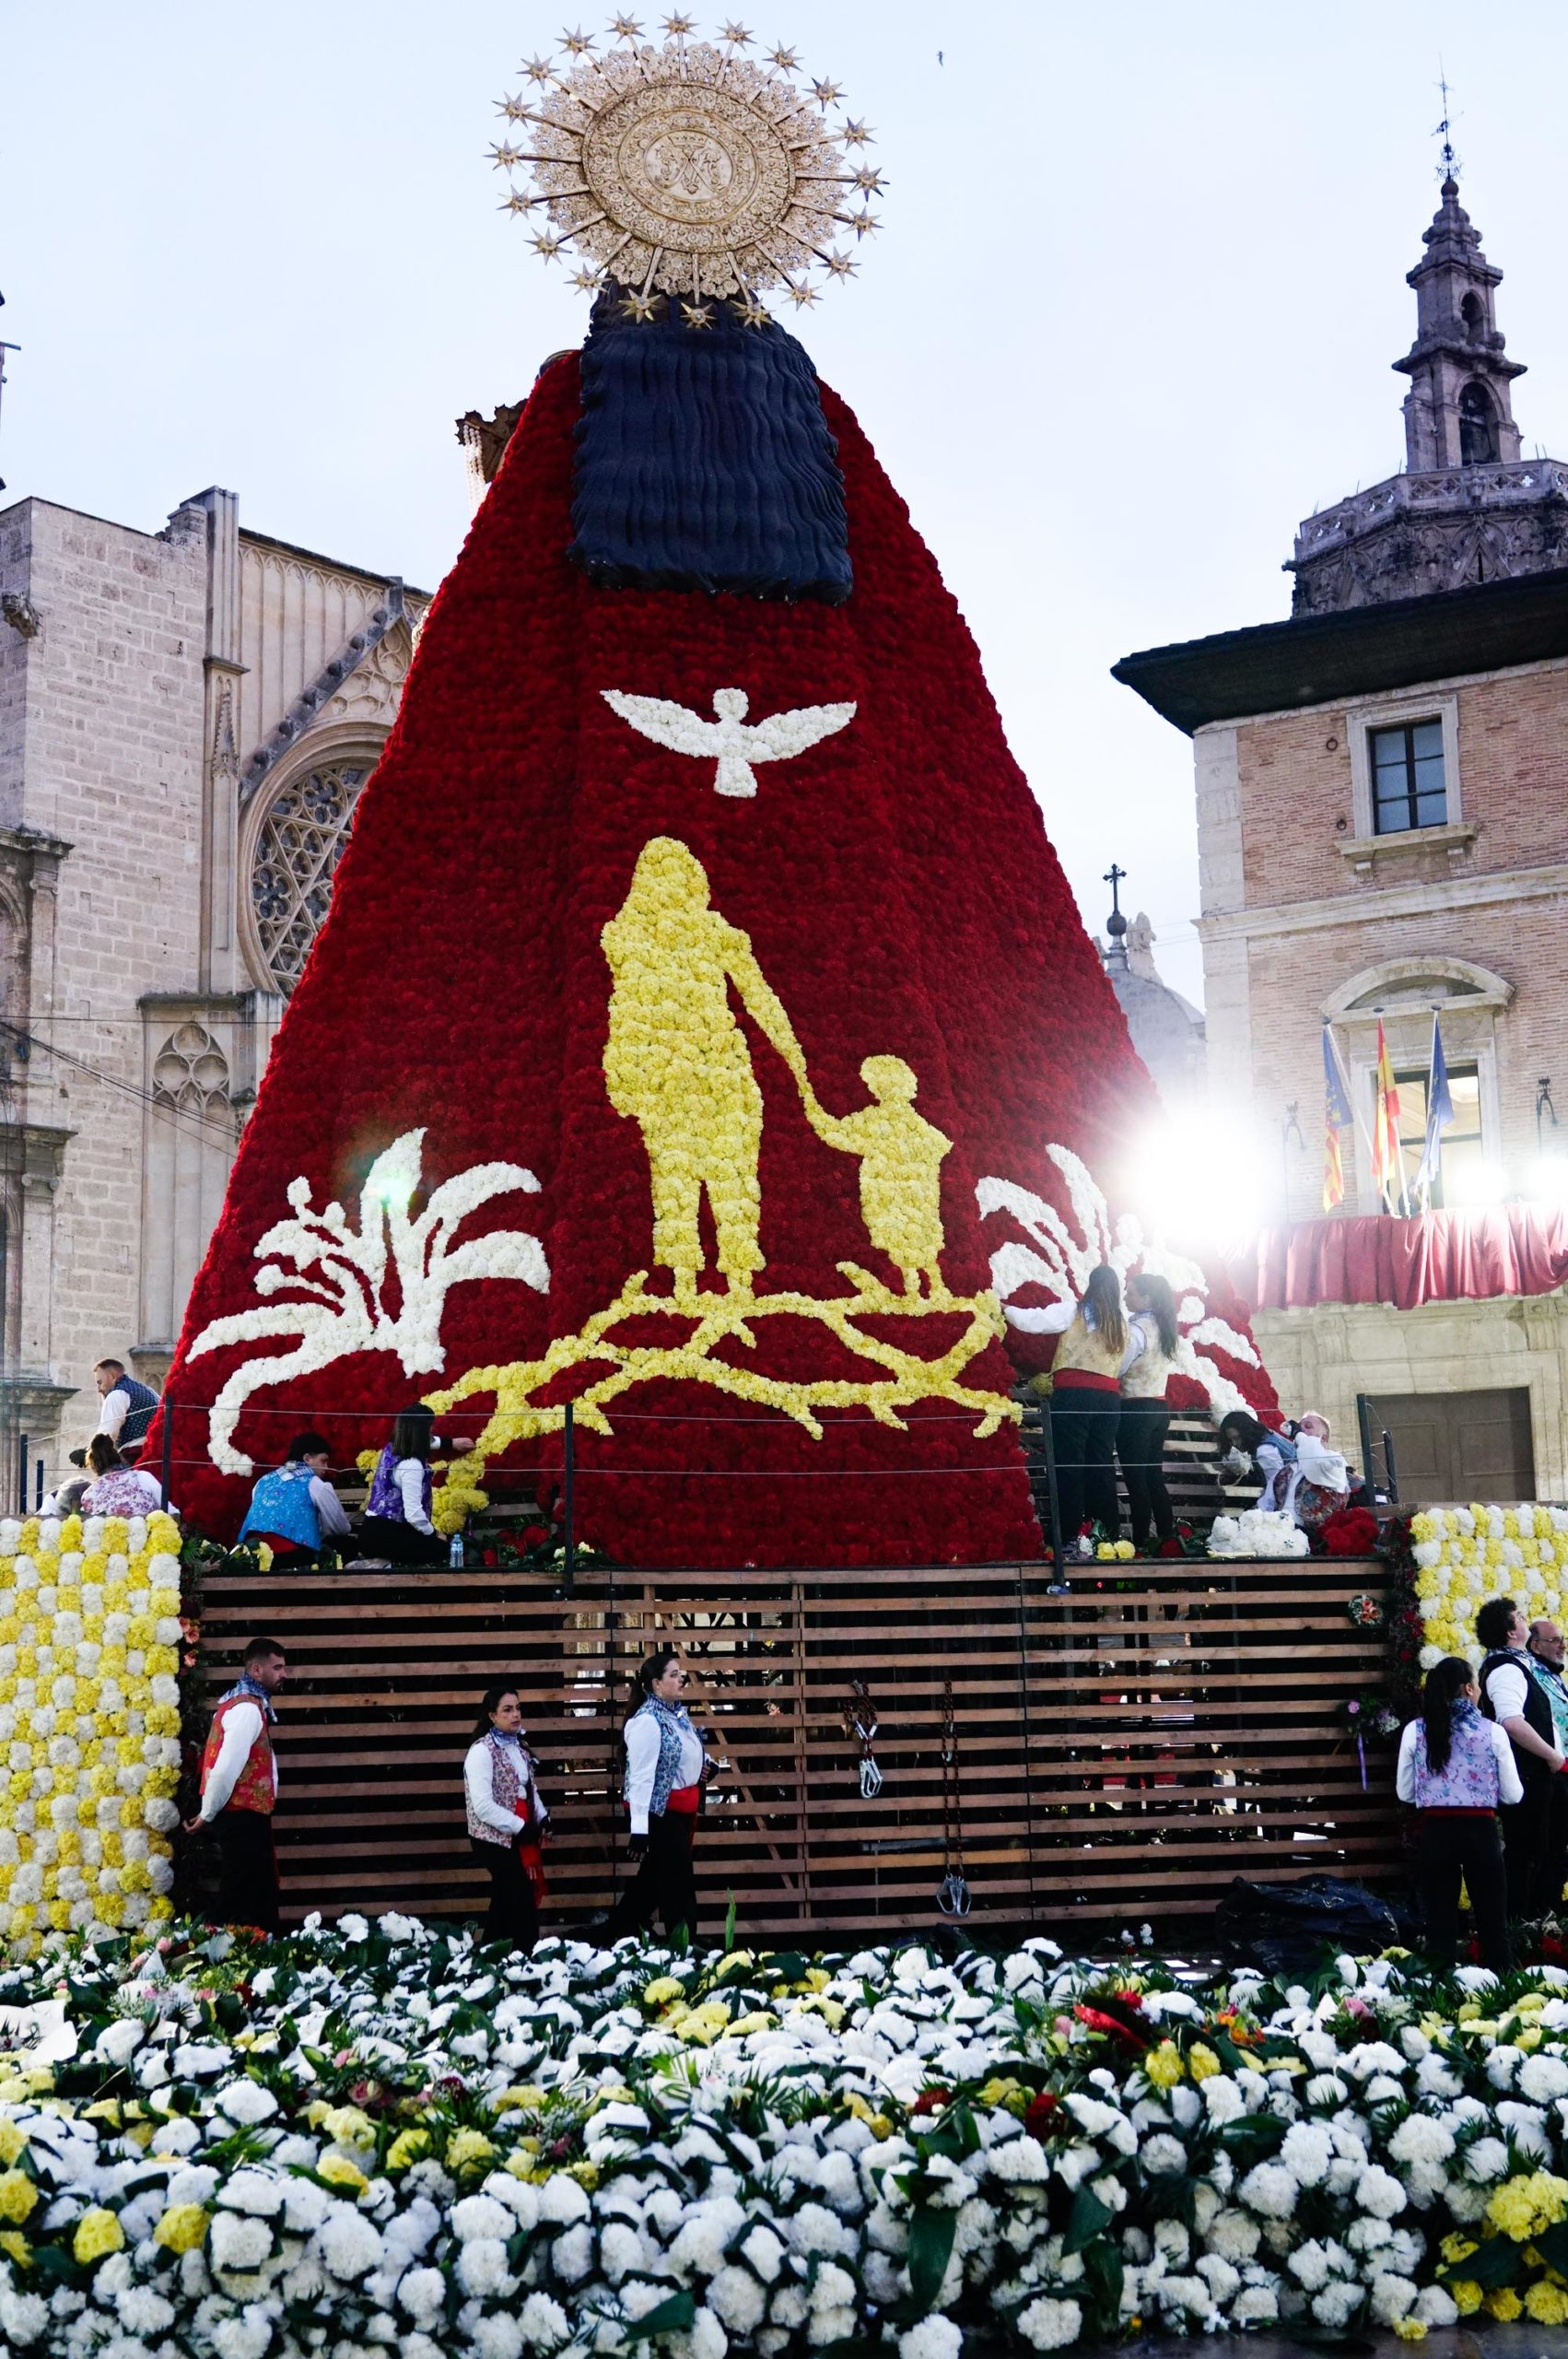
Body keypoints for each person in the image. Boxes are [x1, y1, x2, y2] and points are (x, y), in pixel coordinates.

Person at [1397, 1653, 1519, 1974]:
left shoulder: (1416, 1730)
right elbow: (1513, 1794)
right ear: (1468, 1688)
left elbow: (1405, 1792)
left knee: (1440, 1921)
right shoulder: (1492, 1732)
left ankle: (1440, 1986)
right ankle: (1501, 1983)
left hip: (1435, 1831)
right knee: (1492, 1919)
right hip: (1481, 1831)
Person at [183, 1636, 288, 1934]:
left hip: (246, 1813)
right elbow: (225, 1768)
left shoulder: (245, 1704)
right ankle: (201, 1944)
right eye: (277, 1667)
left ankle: (260, 1946)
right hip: (241, 1815)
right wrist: (207, 1813)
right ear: (256, 1670)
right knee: (240, 1888)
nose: (284, 1674)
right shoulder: (247, 1710)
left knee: (257, 1890)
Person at [604, 1650, 710, 1943]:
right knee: (679, 1881)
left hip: (679, 1809)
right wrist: (639, 1829)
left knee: (652, 1879)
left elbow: (687, 1754)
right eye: (674, 1675)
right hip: (659, 1811)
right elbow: (639, 1778)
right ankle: (683, 1945)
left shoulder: (676, 1715)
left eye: (681, 1674)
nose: (681, 1679)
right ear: (656, 1684)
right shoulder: (647, 1722)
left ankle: (619, 1932)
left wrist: (706, 1767)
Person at [1477, 1594, 1567, 1918]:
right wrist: (1553, 1756)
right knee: (1527, 1853)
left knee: (1541, 1850)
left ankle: (1536, 1917)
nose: (1524, 1619)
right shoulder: (1506, 1669)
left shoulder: (1514, 1664)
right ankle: (1520, 1921)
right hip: (1528, 1774)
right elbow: (1511, 1721)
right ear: (1510, 1631)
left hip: (1533, 1773)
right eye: (1518, 1616)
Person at [464, 1684, 550, 1954]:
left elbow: (529, 1790)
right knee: (520, 1894)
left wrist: (543, 1818)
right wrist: (520, 1827)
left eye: (518, 1708)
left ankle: (491, 1954)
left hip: (517, 1835)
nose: (515, 1714)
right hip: (492, 1839)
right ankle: (526, 1953)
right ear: (492, 1716)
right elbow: (482, 1806)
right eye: (507, 1710)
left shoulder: (519, 1747)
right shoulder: (481, 1751)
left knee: (505, 1899)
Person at [1049, 1264, 1129, 1549]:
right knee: (1101, 1464)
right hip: (1108, 1399)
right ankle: (1105, 1534)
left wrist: (1006, 1310)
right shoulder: (1121, 1323)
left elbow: (1038, 1321)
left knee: (1069, 1464)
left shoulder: (1075, 1311)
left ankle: (1070, 1535)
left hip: (1074, 1394)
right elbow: (1124, 1364)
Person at [1117, 1272, 1179, 1548]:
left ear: (1146, 1298)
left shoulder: (1138, 1329)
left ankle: (1141, 1541)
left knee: (1135, 1478)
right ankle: (1167, 1536)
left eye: (1130, 1293)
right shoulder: (1164, 1327)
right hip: (1159, 1407)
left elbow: (1120, 1366)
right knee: (1153, 1475)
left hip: (1135, 1408)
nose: (1125, 1297)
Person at [238, 1431, 353, 1564]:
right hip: (291, 1555)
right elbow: (340, 1528)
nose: (326, 1468)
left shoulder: (263, 1481)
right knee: (347, 1544)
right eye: (323, 1461)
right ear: (307, 1459)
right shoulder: (314, 1484)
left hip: (252, 1555)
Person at [359, 1407, 440, 1563]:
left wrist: (449, 1443)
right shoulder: (412, 1465)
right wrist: (435, 1534)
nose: (432, 1431)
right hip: (387, 1536)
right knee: (444, 1550)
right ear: (422, 1432)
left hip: (370, 1530)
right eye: (430, 1428)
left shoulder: (391, 1449)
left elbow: (429, 1441)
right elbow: (413, 1515)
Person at [1527, 1618, 1568, 1916]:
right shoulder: (1531, 1675)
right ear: (1535, 1646)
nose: (1562, 1645)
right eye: (1554, 1640)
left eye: (1562, 1639)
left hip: (1563, 1770)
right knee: (1551, 1846)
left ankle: (1551, 1908)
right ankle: (1541, 1911)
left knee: (1559, 1846)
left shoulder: (1552, 1675)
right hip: (1551, 1772)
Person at [1217, 1411, 1297, 1512]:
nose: (1234, 1444)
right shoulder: (1265, 1436)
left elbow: (1279, 1487)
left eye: (1237, 1438)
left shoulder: (1264, 1450)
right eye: (1230, 1440)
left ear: (1246, 1432)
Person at [1288, 1411, 1352, 1535]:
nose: (1301, 1430)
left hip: (1315, 1537)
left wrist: (1298, 1435)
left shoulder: (1334, 1460)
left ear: (1323, 1438)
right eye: (1299, 1427)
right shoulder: (1289, 1467)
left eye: (1308, 1427)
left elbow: (1316, 1461)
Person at [81, 1434, 166, 1517]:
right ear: (120, 1458)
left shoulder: (88, 1495)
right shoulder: (142, 1477)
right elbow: (169, 1509)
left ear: (94, 1467)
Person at [90, 1358, 160, 1456]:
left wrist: (88, 1453)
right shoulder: (148, 1390)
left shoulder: (117, 1394)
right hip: (161, 1453)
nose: (99, 1389)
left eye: (100, 1382)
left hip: (136, 1455)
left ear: (113, 1376)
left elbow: (107, 1434)